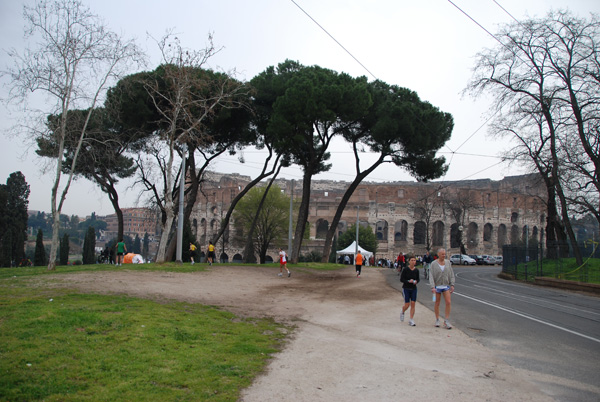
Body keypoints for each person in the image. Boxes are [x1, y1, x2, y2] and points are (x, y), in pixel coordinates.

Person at [429, 248, 455, 329]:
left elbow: (451, 273)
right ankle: (437, 319)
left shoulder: (448, 263)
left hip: (446, 285)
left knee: (448, 302)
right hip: (437, 286)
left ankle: (446, 320)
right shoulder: (433, 264)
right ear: (438, 254)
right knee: (437, 303)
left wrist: (452, 284)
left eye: (444, 254)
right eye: (442, 254)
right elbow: (431, 275)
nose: (444, 255)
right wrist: (432, 286)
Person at [400, 254, 420, 326]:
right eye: (412, 260)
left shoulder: (416, 270)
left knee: (413, 303)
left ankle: (411, 319)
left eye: (414, 260)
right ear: (409, 261)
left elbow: (418, 279)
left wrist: (415, 281)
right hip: (406, 288)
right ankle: (402, 311)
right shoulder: (405, 269)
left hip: (413, 288)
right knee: (407, 304)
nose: (413, 262)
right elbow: (401, 279)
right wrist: (408, 281)